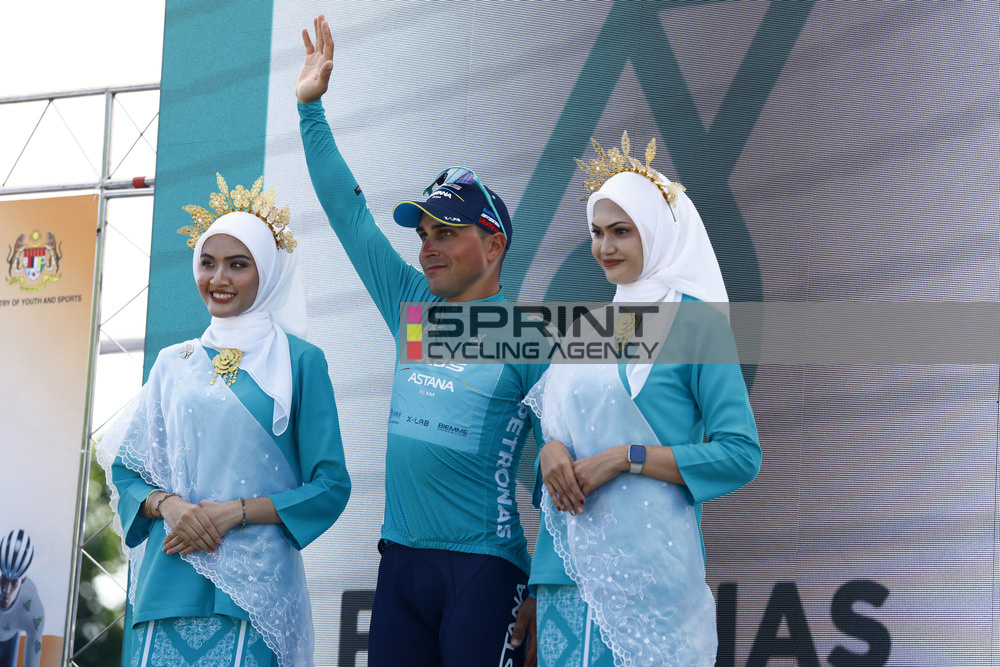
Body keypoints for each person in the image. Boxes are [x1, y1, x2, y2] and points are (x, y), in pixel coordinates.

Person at [296, 15, 545, 667]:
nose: (428, 246)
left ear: (494, 244)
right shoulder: (414, 308)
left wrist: (543, 582)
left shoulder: (528, 336)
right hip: (400, 563)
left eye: (447, 232)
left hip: (485, 568)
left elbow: (561, 470)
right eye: (424, 232)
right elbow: (349, 214)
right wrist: (310, 109)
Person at [514, 133, 761, 666]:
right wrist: (548, 454)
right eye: (598, 232)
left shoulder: (698, 325)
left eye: (621, 231)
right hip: (565, 575)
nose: (605, 247)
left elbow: (740, 453)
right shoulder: (590, 329)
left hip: (652, 582)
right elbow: (561, 439)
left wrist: (628, 458)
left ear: (656, 231)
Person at [95, 175, 351, 667]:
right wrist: (168, 505)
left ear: (268, 272)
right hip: (168, 577)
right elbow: (127, 471)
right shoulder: (173, 362)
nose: (219, 279)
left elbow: (330, 486)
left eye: (238, 264)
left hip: (256, 591)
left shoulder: (300, 362)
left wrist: (236, 511)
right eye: (208, 263)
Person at [0, 530, 44, 667]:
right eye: (4, 579)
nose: (6, 589)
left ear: (23, 580)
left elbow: (32, 663)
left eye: (14, 582)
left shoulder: (34, 611)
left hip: (8, 640)